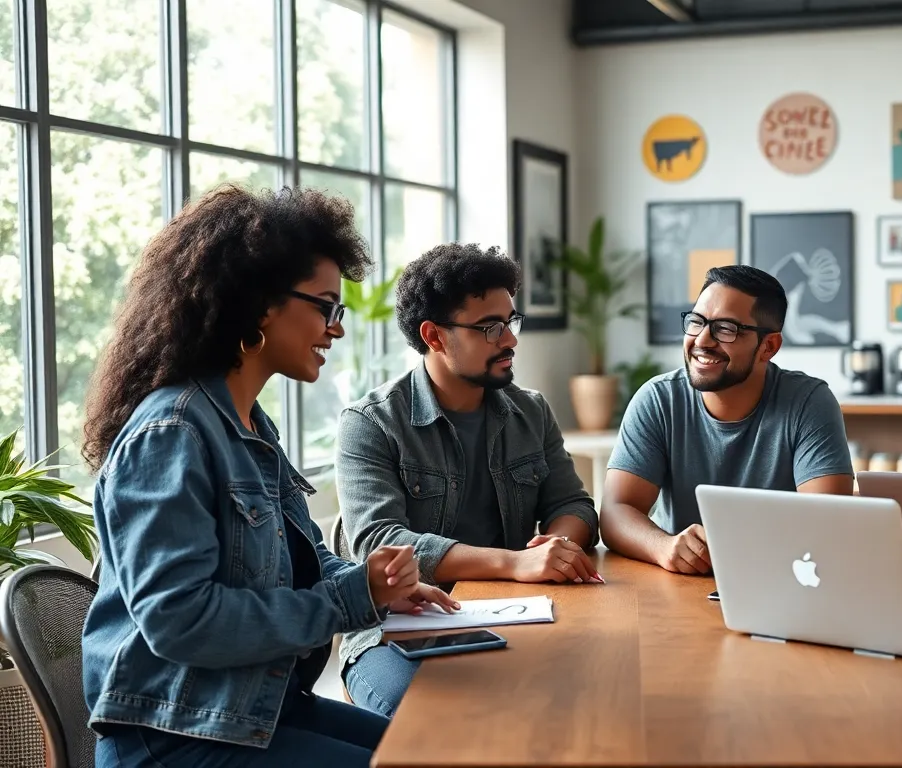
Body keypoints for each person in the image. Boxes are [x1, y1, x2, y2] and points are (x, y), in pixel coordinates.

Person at [79, 184, 457, 768]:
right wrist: (352, 597)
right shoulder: (172, 432)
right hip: (177, 737)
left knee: (442, 750)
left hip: (251, 709)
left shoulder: (250, 425)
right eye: (325, 307)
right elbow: (181, 621)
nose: (336, 329)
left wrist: (378, 588)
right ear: (258, 305)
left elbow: (294, 561)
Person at [335, 242, 600, 716]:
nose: (510, 340)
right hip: (393, 626)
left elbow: (575, 506)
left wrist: (554, 546)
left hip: (514, 610)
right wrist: (513, 563)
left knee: (585, 691)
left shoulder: (531, 409)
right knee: (430, 712)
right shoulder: (371, 422)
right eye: (489, 328)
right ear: (434, 336)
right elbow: (380, 543)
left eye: (511, 322)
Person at [600, 265, 854, 575]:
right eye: (696, 322)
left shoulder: (808, 402)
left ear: (769, 346)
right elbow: (615, 512)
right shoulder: (658, 399)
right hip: (678, 583)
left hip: (776, 580)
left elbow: (827, 523)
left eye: (726, 328)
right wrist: (663, 547)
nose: (702, 340)